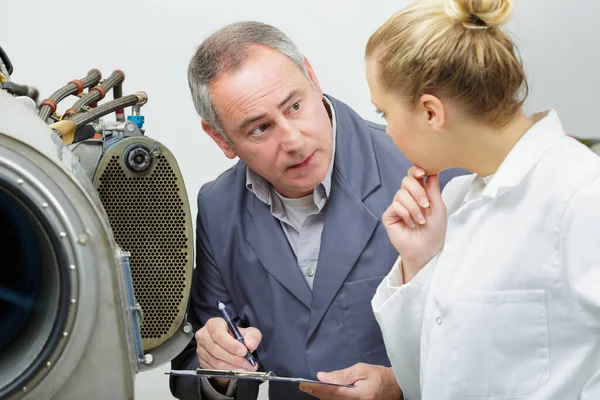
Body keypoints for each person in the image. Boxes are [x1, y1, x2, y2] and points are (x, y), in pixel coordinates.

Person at [169, 21, 466, 400]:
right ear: (220, 138)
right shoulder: (217, 207)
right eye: (260, 128)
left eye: (294, 106)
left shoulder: (432, 169)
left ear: (312, 77)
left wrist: (402, 383)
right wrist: (218, 372)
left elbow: (499, 342)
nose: (293, 141)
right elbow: (192, 366)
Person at [323, 0, 599, 399]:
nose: (386, 131)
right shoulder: (454, 200)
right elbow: (425, 380)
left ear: (431, 113)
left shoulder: (582, 196)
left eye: (384, 113)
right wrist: (418, 262)